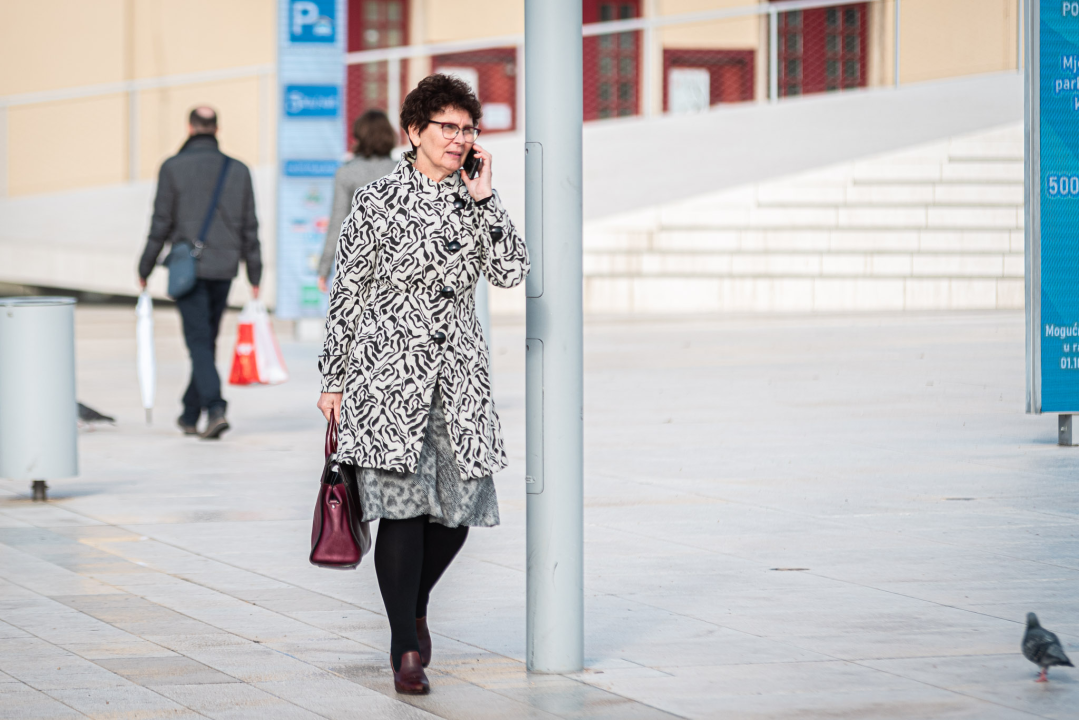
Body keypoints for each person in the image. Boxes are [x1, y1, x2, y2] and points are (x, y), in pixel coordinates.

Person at [316, 74, 528, 695]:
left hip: (459, 377)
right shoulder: (377, 200)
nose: (460, 140)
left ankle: (414, 603)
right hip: (387, 378)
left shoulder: (476, 199)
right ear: (414, 132)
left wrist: (487, 200)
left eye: (468, 129)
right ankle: (404, 645)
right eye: (447, 128)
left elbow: (513, 271)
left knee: (458, 513)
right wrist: (334, 378)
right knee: (402, 515)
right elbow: (348, 294)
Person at [138, 106, 262, 440]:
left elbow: (160, 222)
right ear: (216, 128)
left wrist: (145, 265)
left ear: (190, 127)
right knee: (205, 340)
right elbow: (250, 225)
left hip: (188, 269)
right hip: (224, 267)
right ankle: (190, 413)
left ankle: (215, 407)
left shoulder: (172, 167)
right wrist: (255, 272)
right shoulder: (238, 170)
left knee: (198, 342)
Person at [317, 109, 398, 293]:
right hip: (399, 260)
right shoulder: (402, 171)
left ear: (359, 137)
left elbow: (338, 223)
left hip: (358, 262)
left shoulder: (346, 173)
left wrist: (324, 268)